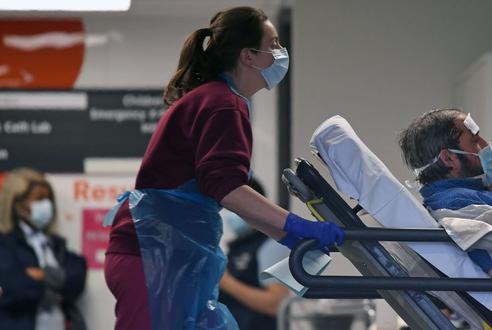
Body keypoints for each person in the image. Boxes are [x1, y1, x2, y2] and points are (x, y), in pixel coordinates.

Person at [103, 7, 344, 330]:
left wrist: (288, 237)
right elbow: (226, 188)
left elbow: (222, 187)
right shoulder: (223, 104)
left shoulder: (215, 99)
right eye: (273, 44)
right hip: (153, 256)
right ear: (248, 55)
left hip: (167, 253)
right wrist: (297, 226)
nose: (280, 53)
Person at [398, 108, 492, 329]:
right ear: (449, 158)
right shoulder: (454, 203)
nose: (486, 144)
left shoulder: (466, 194)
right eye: (475, 140)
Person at [0, 168, 87, 330]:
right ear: (18, 204)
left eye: (48, 199)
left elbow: (77, 277)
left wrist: (42, 274)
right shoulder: (5, 244)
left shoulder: (53, 243)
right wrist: (55, 290)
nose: (46, 205)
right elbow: (14, 288)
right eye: (39, 199)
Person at [219, 178, 289, 330]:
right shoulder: (238, 245)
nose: (231, 215)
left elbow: (276, 304)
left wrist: (226, 282)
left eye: (236, 209)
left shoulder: (272, 246)